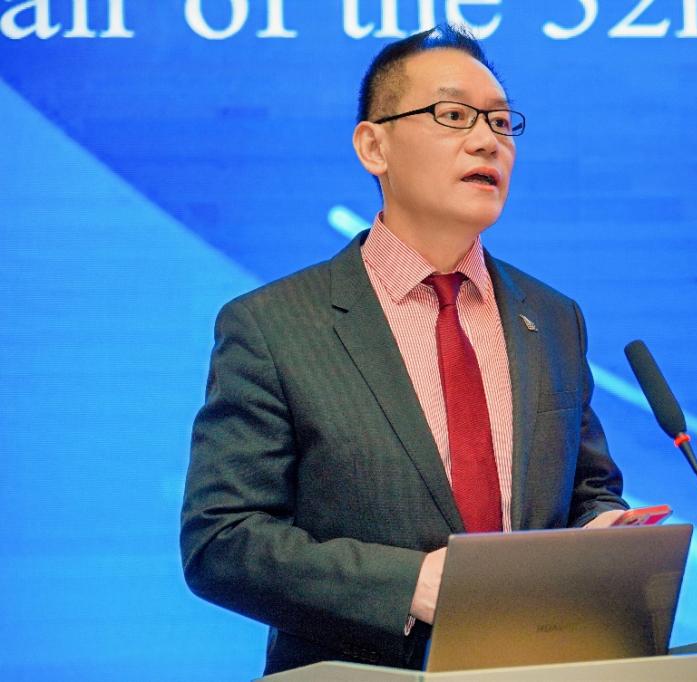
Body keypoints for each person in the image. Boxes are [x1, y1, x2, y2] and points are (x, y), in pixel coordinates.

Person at [180, 24, 627, 675]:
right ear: (374, 146)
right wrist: (410, 586)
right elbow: (220, 542)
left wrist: (601, 534)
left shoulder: (553, 318)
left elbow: (590, 490)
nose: (487, 140)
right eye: (454, 116)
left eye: (501, 122)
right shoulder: (272, 327)